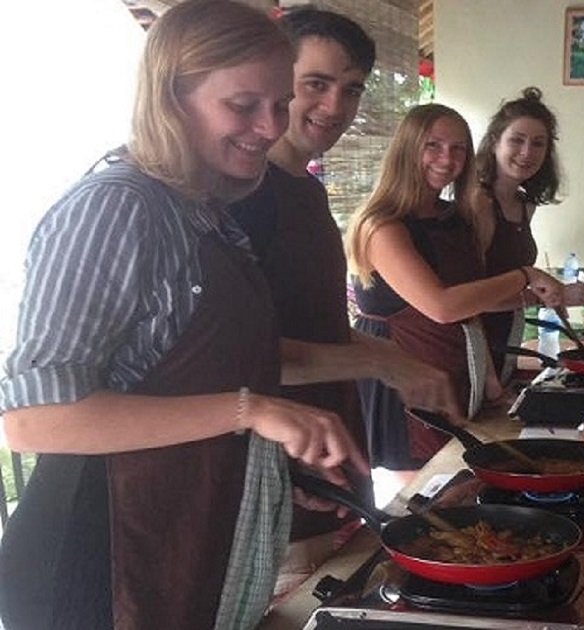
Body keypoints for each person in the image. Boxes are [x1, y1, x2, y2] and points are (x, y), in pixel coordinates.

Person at [0, 2, 367, 628]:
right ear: (172, 96)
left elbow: (213, 368)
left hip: (180, 532)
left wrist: (268, 455)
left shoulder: (203, 210)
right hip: (97, 561)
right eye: (245, 104)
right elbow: (35, 419)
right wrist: (254, 411)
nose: (272, 125)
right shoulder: (115, 208)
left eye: (279, 103)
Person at [227, 6, 462, 596]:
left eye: (351, 89)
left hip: (334, 466)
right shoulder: (240, 201)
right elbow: (246, 356)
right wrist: (388, 361)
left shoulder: (304, 189)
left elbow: (324, 326)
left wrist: (404, 367)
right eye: (316, 84)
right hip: (275, 480)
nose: (336, 106)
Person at [346, 103, 584, 471]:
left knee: (460, 488)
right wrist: (526, 275)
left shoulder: (452, 218)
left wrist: (491, 383)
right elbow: (442, 306)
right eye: (433, 145)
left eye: (458, 148)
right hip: (402, 385)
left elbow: (471, 307)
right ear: (406, 148)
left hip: (458, 378)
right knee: (424, 497)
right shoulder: (383, 227)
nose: (447, 159)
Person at [474, 86, 584, 381]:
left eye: (538, 144)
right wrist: (552, 295)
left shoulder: (525, 204)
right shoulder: (478, 202)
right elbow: (473, 299)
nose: (527, 153)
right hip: (472, 344)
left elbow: (511, 276)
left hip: (506, 335)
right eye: (517, 140)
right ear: (494, 142)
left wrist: (550, 292)